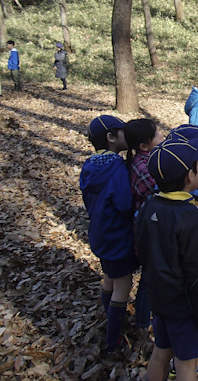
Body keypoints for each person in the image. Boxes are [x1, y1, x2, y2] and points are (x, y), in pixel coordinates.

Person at [135, 137, 198, 381]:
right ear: (189, 177)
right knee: (186, 365)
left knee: (161, 353)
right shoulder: (193, 220)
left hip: (160, 300)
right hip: (186, 309)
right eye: (197, 168)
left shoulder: (147, 209)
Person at [79, 115, 138, 353]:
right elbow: (124, 203)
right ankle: (113, 340)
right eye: (122, 132)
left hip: (100, 232)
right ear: (111, 137)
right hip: (118, 235)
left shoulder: (88, 166)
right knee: (123, 286)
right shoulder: (115, 168)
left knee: (110, 279)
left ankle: (110, 320)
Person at [123, 118, 165, 330]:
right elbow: (160, 189)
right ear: (143, 145)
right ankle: (142, 322)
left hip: (153, 226)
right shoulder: (143, 166)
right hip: (149, 230)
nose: (162, 136)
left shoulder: (149, 160)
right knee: (149, 279)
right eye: (157, 134)